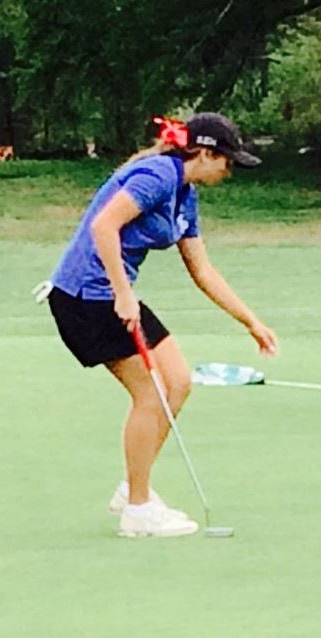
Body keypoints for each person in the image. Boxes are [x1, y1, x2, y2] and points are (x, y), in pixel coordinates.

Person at [39, 112, 279, 537]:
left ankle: (133, 486)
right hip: (86, 298)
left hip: (112, 295)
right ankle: (138, 509)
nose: (229, 171)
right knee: (152, 393)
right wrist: (123, 293)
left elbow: (202, 271)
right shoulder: (157, 175)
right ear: (204, 153)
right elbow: (103, 225)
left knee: (179, 382)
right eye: (227, 161)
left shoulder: (185, 196)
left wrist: (251, 322)